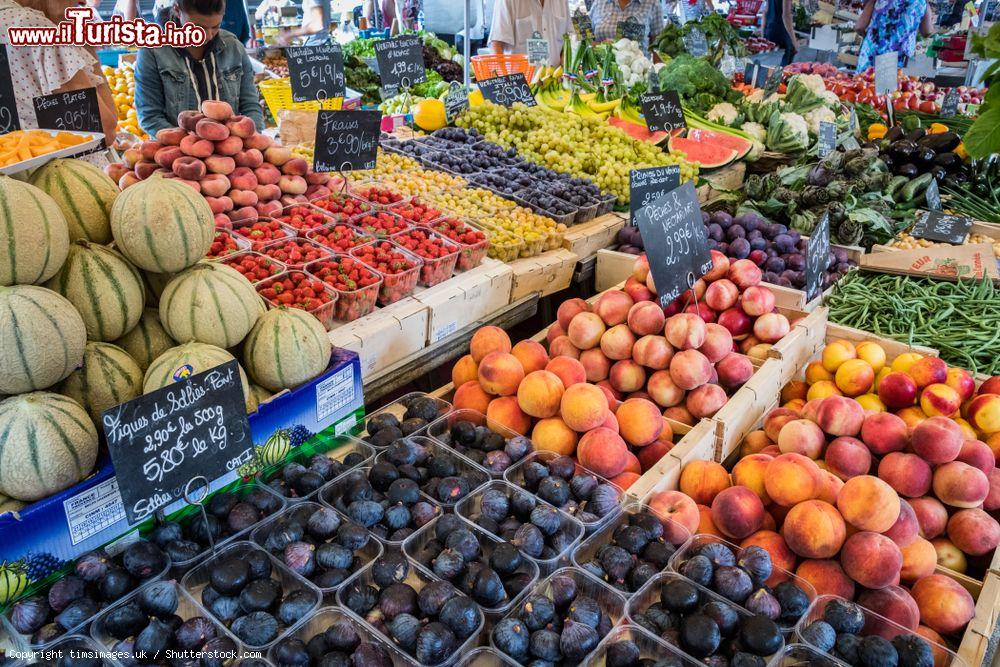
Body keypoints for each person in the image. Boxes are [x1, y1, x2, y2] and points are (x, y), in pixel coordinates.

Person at [134, 0, 264, 135]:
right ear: (177, 10)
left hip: (232, 151)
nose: (208, 35)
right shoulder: (153, 52)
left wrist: (252, 137)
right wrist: (189, 145)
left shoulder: (233, 47)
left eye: (215, 26)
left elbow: (251, 105)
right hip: (180, 153)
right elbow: (150, 116)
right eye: (199, 27)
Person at [0, 0, 118, 143]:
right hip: (63, 162)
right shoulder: (37, 28)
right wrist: (85, 43)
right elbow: (105, 132)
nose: (83, 2)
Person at [856, 0, 934, 71]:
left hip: (872, 56)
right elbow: (927, 32)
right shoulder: (922, 2)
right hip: (899, 60)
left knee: (863, 85)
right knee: (895, 85)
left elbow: (860, 27)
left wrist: (870, 38)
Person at [490, 0, 569, 66]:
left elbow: (569, 41)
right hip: (520, 82)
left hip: (554, 82)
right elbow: (497, 46)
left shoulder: (562, 1)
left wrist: (563, 70)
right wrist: (505, 81)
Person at [589, 0, 663, 53]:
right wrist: (600, 46)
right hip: (600, 69)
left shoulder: (653, 3)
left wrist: (658, 69)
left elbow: (658, 43)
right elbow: (588, 38)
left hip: (637, 71)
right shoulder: (598, 3)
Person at [763, 0, 797, 65]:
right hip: (782, 33)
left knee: (769, 66)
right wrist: (794, 41)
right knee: (783, 69)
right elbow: (786, 16)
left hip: (770, 30)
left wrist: (763, 34)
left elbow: (765, 12)